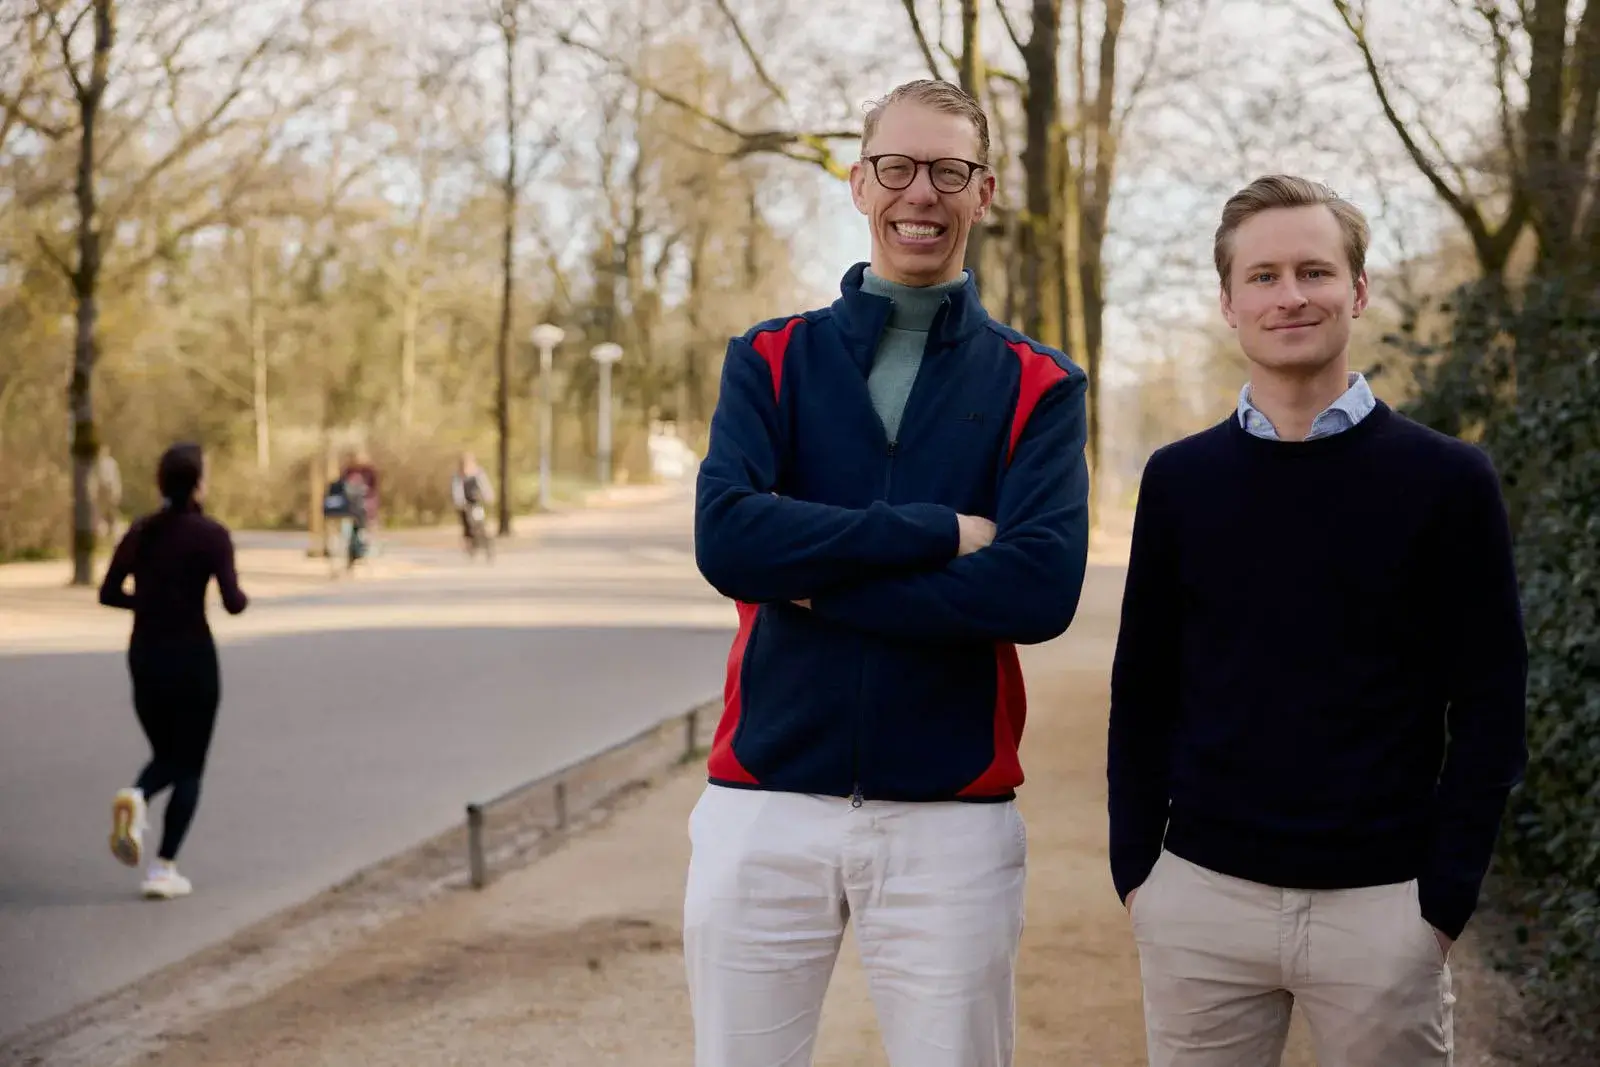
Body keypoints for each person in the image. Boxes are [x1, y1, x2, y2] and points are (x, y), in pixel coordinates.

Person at [689, 78, 1091, 1067]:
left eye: (949, 170)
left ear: (984, 191)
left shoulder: (1040, 384)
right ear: (860, 184)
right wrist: (935, 530)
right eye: (898, 168)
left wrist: (815, 575)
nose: (923, 192)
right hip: (763, 801)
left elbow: (1036, 590)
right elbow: (730, 543)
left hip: (950, 816)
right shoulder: (770, 358)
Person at [1106, 175, 1528, 1066]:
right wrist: (1142, 876)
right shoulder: (1180, 482)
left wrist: (1442, 902)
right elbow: (1142, 687)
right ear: (1228, 302)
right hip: (1200, 901)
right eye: (1262, 276)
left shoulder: (1451, 481)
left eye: (1314, 270)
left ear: (1358, 290)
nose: (1290, 294)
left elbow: (1492, 700)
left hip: (1382, 910)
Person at [99, 442, 249, 899]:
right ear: (200, 483)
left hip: (145, 657)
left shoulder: (141, 531)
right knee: (190, 766)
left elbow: (108, 592)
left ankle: (138, 798)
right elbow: (233, 602)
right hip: (193, 659)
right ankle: (163, 865)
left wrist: (148, 602)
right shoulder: (212, 535)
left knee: (168, 754)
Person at [450, 451, 495, 555]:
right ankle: (469, 541)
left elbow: (485, 485)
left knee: (480, 519)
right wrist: (459, 502)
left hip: (476, 501)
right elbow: (457, 490)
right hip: (464, 503)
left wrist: (488, 496)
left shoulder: (478, 473)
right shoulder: (457, 476)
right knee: (466, 522)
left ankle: (484, 536)